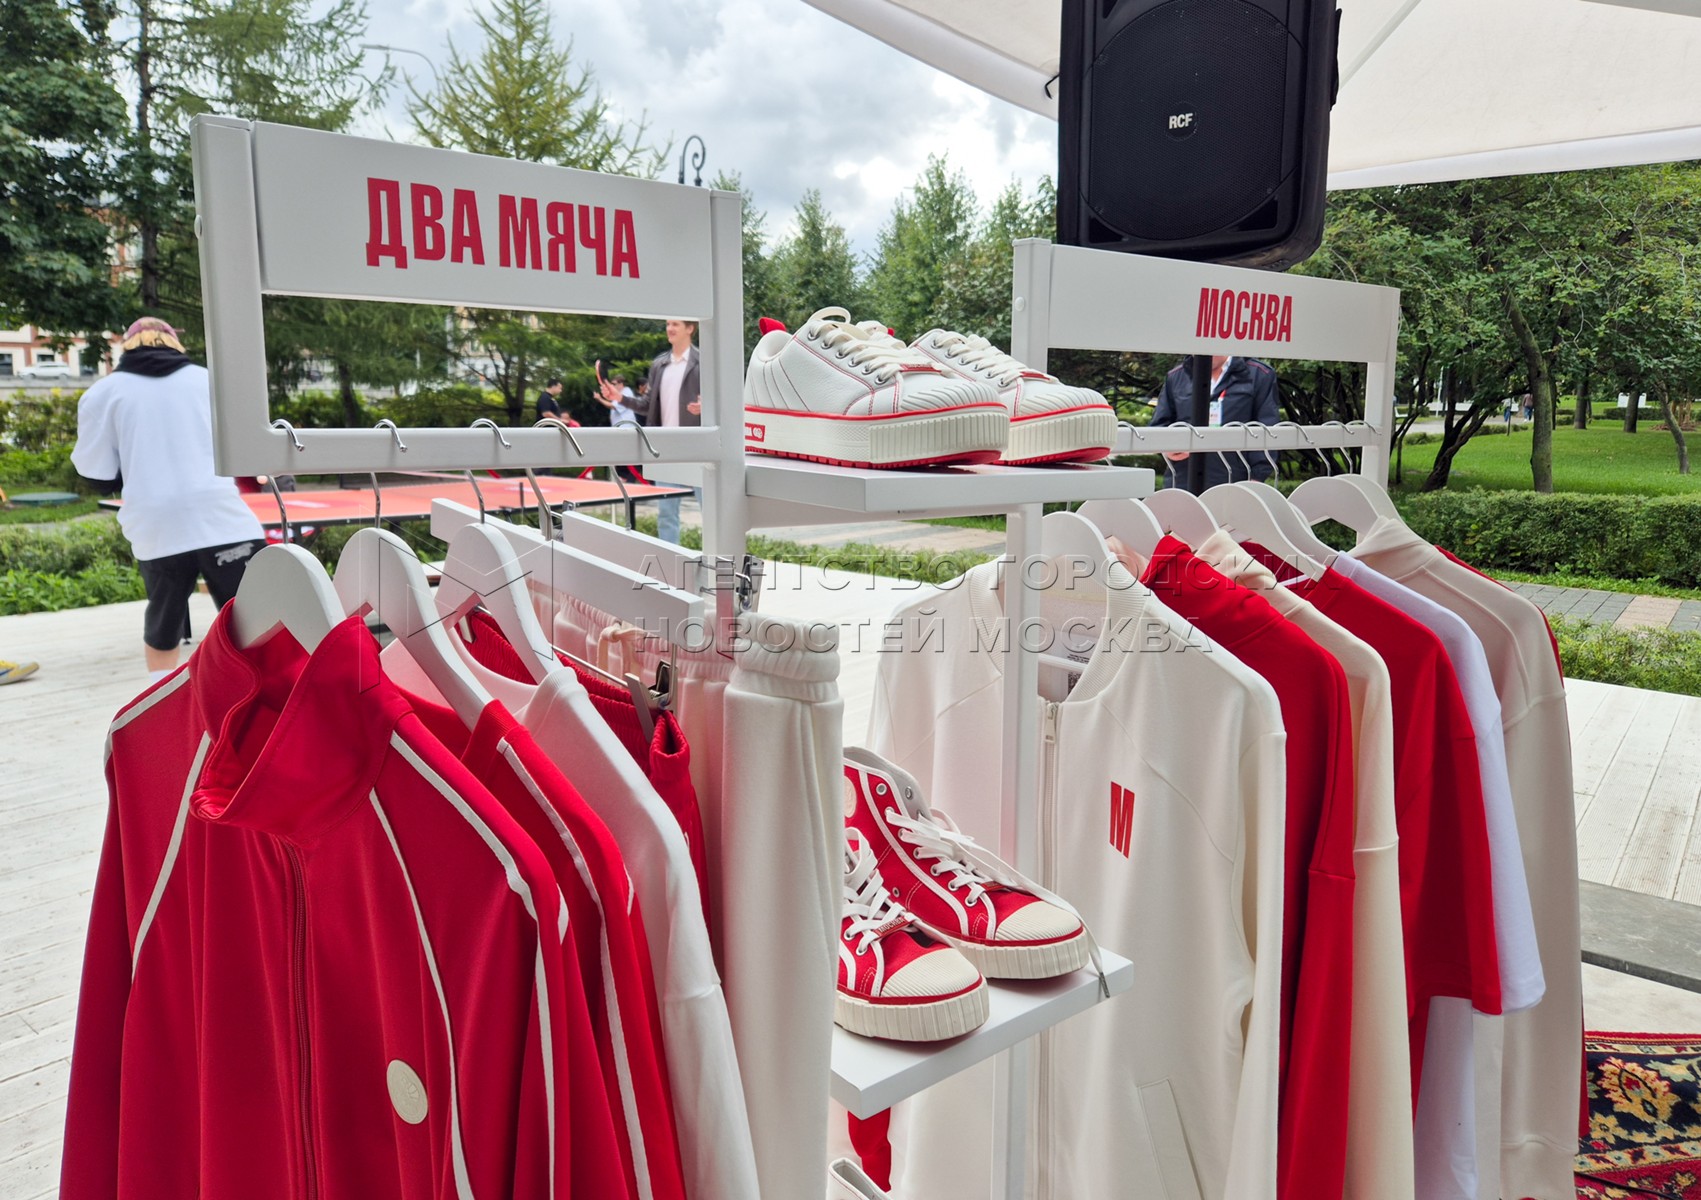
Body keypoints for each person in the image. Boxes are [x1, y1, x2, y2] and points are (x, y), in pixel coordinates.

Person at [72, 317, 265, 679]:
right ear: (175, 342)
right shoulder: (211, 381)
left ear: (126, 346)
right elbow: (247, 450)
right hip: (221, 518)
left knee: (164, 623)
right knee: (252, 624)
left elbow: (96, 476)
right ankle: (264, 697)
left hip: (157, 526)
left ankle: (160, 698)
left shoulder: (101, 393)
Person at [1151, 355, 1280, 492]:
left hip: (1235, 481)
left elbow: (1268, 429)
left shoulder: (1258, 374)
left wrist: (1256, 479)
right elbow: (1159, 427)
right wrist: (1168, 448)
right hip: (1182, 481)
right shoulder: (1176, 376)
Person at [632, 319, 703, 544]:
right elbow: (646, 405)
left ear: (690, 328)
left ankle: (715, 558)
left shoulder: (704, 363)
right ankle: (672, 559)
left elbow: (723, 401)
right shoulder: (659, 365)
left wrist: (706, 406)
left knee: (711, 510)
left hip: (697, 448)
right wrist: (619, 398)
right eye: (667, 324)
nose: (669, 329)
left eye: (675, 324)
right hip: (664, 448)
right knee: (666, 513)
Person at [594, 370, 646, 484]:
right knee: (623, 455)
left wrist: (599, 399)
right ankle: (626, 478)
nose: (612, 386)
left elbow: (612, 406)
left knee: (629, 456)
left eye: (614, 384)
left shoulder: (626, 393)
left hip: (626, 429)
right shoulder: (620, 394)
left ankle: (631, 479)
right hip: (621, 429)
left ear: (621, 384)